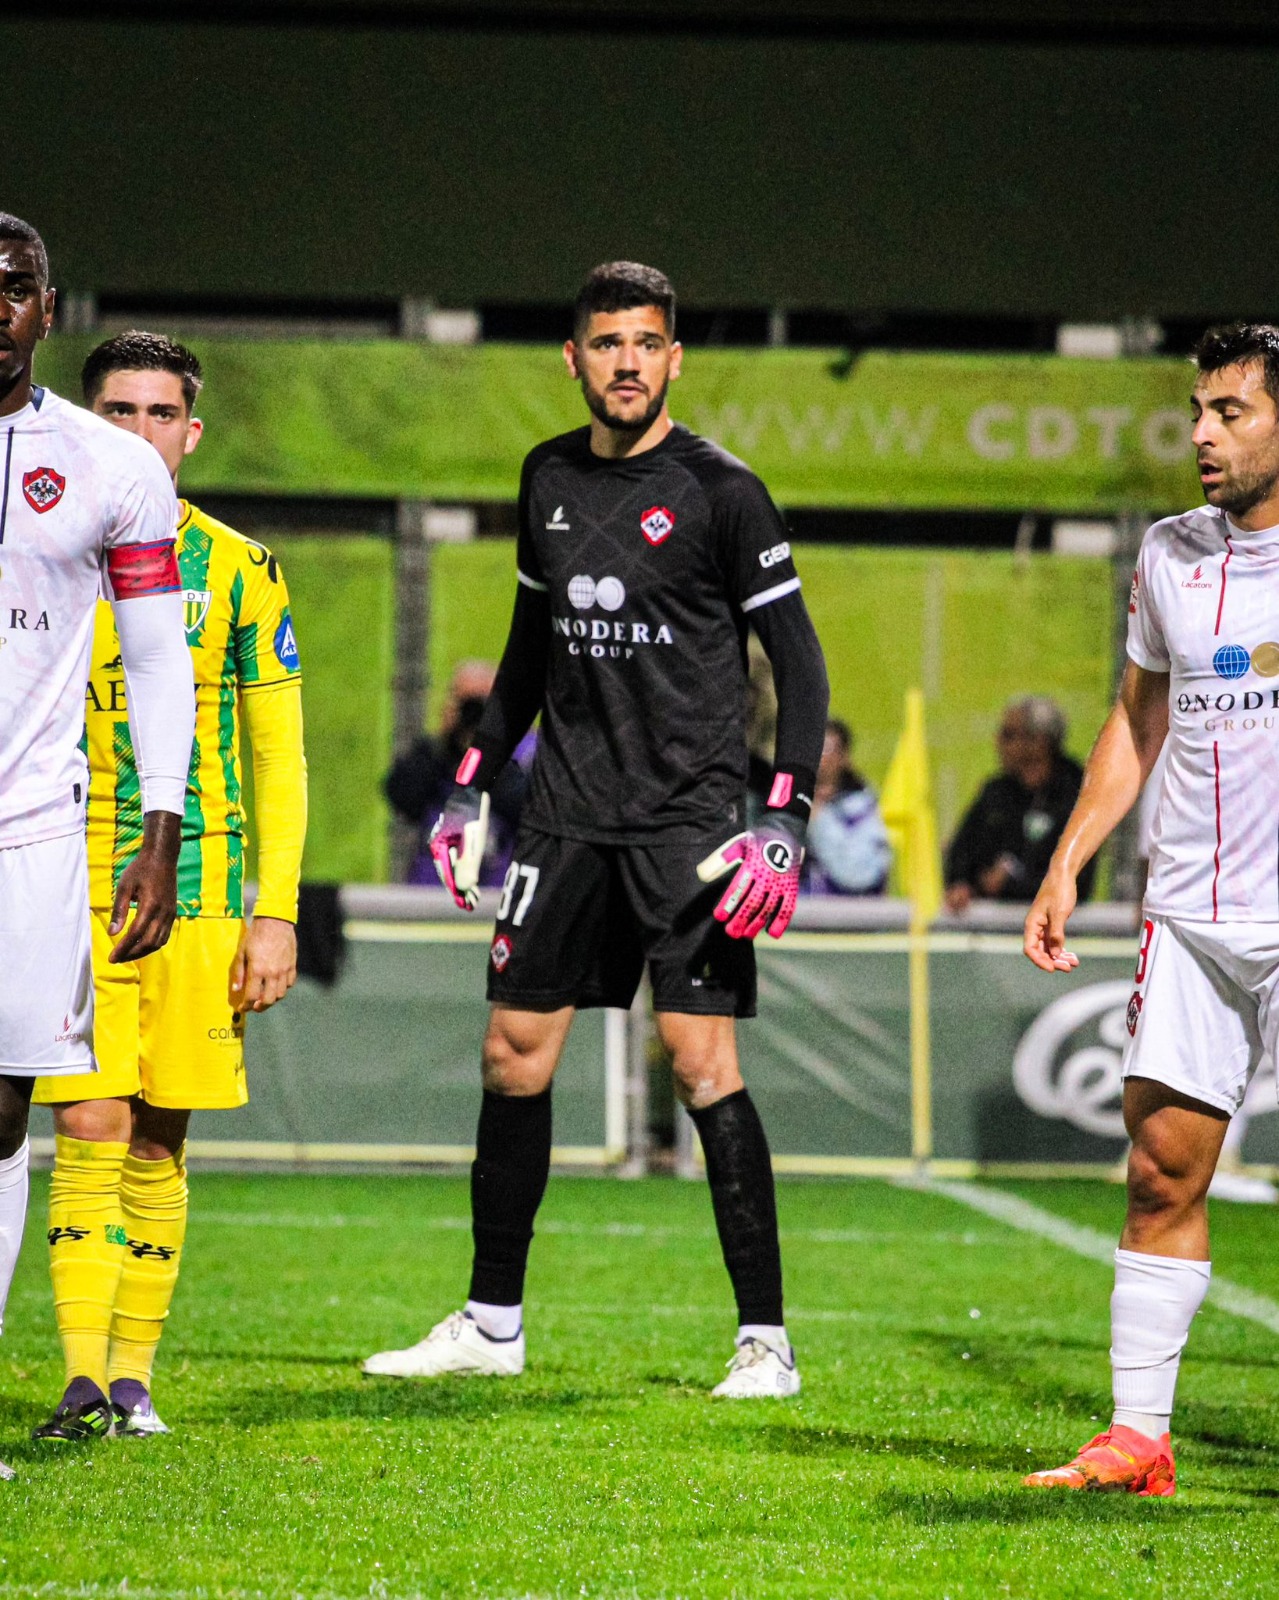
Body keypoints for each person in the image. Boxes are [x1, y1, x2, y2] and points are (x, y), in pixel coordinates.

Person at [363, 261, 829, 1397]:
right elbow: (525, 654)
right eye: (606, 343)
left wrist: (783, 816)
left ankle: (764, 1342)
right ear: (572, 359)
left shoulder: (725, 491)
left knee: (699, 1062)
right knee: (511, 1060)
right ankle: (490, 1322)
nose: (627, 361)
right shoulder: (547, 477)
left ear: (675, 359)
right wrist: (471, 781)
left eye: (647, 343)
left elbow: (801, 664)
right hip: (566, 822)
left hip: (689, 827)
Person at [30, 332, 307, 1441]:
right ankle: (80, 1380)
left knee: (157, 1136)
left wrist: (272, 908)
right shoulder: (41, 552)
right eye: (117, 412)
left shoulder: (239, 568)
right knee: (86, 1120)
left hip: (198, 895)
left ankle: (133, 1379)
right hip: (65, 881)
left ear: (191, 433)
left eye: (159, 414)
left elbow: (277, 754)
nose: (138, 432)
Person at [1022, 321, 1279, 1496]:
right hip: (1187, 908)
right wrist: (1071, 856)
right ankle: (1138, 1435)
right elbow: (1134, 719)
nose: (1201, 435)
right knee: (1160, 1169)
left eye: (1230, 412)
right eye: (1197, 411)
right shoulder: (1168, 554)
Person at [0, 220, 195, 1476]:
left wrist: (159, 827)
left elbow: (160, 654)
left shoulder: (111, 467)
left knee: (3, 1116)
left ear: (48, 307)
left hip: (26, 836)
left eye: (11, 287)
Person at [384, 660, 531, 887]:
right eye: (465, 705)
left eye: (483, 705)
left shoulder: (526, 754)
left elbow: (527, 807)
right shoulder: (438, 755)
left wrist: (490, 753)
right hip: (428, 901)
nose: (474, 716)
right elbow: (402, 795)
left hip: (494, 900)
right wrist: (447, 743)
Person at [944, 696, 1094, 913]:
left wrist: (1010, 884)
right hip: (990, 931)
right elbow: (961, 854)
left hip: (1056, 929)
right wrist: (963, 885)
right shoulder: (996, 792)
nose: (998, 742)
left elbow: (1078, 878)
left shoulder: (1076, 795)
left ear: (1039, 742)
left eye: (1008, 735)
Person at [803, 719, 890, 895]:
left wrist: (820, 821)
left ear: (844, 757)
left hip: (848, 915)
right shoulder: (786, 800)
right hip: (798, 914)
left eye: (826, 748)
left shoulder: (864, 810)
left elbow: (860, 874)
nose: (818, 756)